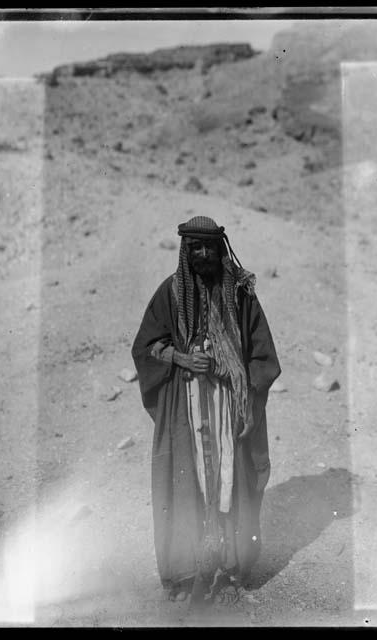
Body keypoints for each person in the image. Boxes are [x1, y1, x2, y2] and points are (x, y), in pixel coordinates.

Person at [131, 216, 281, 604]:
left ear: (219, 249)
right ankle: (185, 572)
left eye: (209, 247)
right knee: (188, 483)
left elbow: (263, 355)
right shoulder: (170, 293)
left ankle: (232, 568)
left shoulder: (240, 294)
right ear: (185, 251)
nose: (202, 254)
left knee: (231, 483)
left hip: (231, 405)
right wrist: (181, 358)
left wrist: (247, 399)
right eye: (194, 247)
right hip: (186, 406)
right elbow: (146, 346)